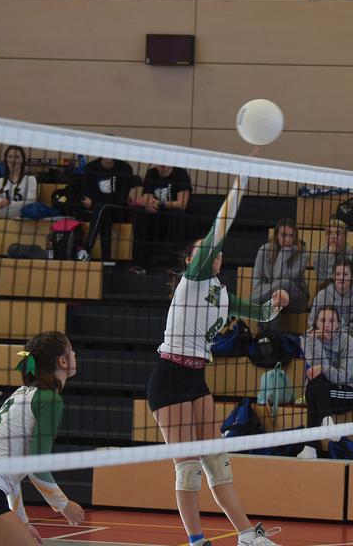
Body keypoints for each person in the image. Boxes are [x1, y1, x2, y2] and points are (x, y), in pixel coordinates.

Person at [147, 183, 287, 546]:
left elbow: (261, 312)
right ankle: (197, 540)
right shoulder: (192, 280)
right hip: (169, 377)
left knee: (217, 460)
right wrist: (237, 189)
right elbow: (214, 234)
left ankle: (246, 535)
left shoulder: (221, 294)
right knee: (188, 468)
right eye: (203, 253)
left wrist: (277, 302)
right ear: (192, 260)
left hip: (195, 377)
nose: (211, 256)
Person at [0, 331, 85, 546]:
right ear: (62, 360)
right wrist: (64, 505)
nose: (75, 354)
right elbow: (37, 466)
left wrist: (22, 522)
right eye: (72, 350)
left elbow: (12, 474)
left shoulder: (21, 393)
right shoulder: (50, 400)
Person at [297, 306, 353, 460]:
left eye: (332, 321)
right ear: (316, 322)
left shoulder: (349, 343)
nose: (326, 325)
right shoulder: (308, 339)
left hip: (345, 393)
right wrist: (315, 341)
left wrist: (324, 368)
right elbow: (315, 372)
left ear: (339, 323)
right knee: (316, 384)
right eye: (323, 320)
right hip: (322, 393)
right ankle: (326, 422)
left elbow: (344, 376)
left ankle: (311, 446)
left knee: (314, 388)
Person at [130, 164, 193, 274]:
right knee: (141, 214)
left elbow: (182, 203)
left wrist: (160, 203)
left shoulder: (180, 174)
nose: (162, 164)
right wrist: (149, 204)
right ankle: (140, 264)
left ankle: (176, 265)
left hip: (179, 218)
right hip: (158, 217)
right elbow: (146, 198)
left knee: (177, 214)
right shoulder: (152, 173)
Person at [251, 218, 310, 332]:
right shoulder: (264, 250)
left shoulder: (302, 254)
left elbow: (282, 280)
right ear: (276, 235)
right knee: (273, 302)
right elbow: (257, 283)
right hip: (273, 296)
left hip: (297, 298)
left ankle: (251, 303)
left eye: (291, 235)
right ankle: (268, 343)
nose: (288, 239)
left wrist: (283, 254)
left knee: (284, 284)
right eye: (283, 235)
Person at [82, 156, 135, 261]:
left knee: (103, 208)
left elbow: (121, 198)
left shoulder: (125, 168)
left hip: (118, 210)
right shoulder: (91, 167)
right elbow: (86, 195)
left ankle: (86, 249)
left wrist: (96, 202)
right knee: (104, 213)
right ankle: (106, 260)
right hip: (98, 210)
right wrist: (89, 201)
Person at [307, 258, 353, 337]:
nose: (341, 278)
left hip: (349, 338)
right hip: (324, 335)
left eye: (345, 274)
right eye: (338, 274)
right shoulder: (322, 295)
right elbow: (312, 322)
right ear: (333, 276)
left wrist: (337, 335)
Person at [313, 218, 353, 286]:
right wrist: (330, 256)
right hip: (326, 294)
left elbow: (351, 284)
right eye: (329, 233)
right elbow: (323, 284)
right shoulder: (318, 255)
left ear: (345, 236)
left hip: (348, 294)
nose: (333, 237)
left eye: (338, 233)